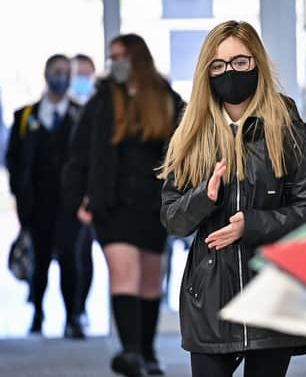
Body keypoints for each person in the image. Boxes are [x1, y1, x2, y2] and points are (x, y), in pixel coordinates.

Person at [159, 20, 306, 377]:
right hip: (210, 300)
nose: (229, 72)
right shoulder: (191, 133)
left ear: (257, 63)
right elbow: (172, 219)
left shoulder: (287, 128)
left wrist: (252, 225)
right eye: (218, 66)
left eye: (240, 62)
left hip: (271, 294)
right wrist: (206, 195)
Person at [62, 34, 184, 376]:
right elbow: (79, 153)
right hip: (111, 204)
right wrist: (78, 199)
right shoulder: (102, 100)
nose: (114, 62)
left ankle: (146, 353)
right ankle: (130, 353)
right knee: (123, 273)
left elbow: (185, 148)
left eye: (121, 56)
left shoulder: (166, 98)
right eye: (112, 56)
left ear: (138, 59)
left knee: (149, 280)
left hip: (154, 205)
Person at [6, 54, 84, 338]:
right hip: (37, 203)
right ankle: (37, 313)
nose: (60, 77)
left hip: (71, 205)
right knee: (38, 260)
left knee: (69, 260)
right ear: (46, 74)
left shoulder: (81, 115)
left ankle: (73, 317)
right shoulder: (26, 116)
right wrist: (20, 191)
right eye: (56, 71)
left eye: (65, 71)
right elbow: (13, 159)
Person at [70, 53, 97, 326]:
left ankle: (79, 309)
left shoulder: (96, 109)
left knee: (84, 254)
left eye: (87, 74)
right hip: (72, 198)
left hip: (94, 197)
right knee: (73, 254)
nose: (82, 80)